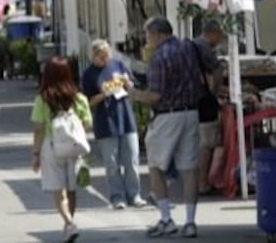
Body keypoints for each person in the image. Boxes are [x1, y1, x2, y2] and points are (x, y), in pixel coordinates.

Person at [129, 16, 201, 238]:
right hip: (191, 112)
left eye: (148, 35)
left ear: (158, 34)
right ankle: (190, 221)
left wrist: (133, 94)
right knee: (189, 169)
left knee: (155, 166)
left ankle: (166, 218)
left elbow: (155, 96)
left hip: (168, 115)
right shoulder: (189, 48)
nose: (147, 39)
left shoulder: (160, 57)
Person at [31, 57, 93, 243]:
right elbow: (88, 123)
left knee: (59, 191)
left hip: (52, 147)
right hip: (75, 147)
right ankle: (69, 224)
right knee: (72, 189)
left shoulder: (43, 99)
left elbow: (38, 128)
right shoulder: (79, 98)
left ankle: (69, 223)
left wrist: (35, 154)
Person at [80, 39, 144, 210]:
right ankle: (117, 197)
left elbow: (132, 86)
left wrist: (127, 82)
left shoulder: (118, 65)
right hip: (105, 121)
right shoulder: (89, 74)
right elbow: (88, 102)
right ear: (92, 56)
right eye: (101, 56)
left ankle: (134, 194)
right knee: (112, 163)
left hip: (126, 118)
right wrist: (104, 94)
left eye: (107, 55)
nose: (105, 59)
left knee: (132, 159)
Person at [190, 20, 224, 196]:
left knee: (198, 141)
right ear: (213, 33)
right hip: (204, 100)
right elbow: (217, 70)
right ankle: (202, 183)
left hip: (192, 99)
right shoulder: (203, 47)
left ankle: (196, 181)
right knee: (207, 142)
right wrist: (216, 91)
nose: (221, 39)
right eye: (220, 36)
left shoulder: (190, 45)